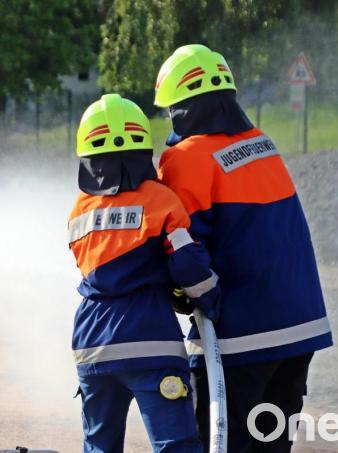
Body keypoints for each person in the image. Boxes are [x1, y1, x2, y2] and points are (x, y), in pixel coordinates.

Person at [153, 44, 334, 452]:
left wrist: (180, 293)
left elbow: (183, 247)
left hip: (241, 336)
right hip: (301, 327)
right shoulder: (261, 143)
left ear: (183, 107)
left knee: (218, 442)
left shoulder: (186, 158)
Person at [68, 93, 220, 453]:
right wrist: (210, 299)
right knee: (175, 447)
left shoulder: (79, 210)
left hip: (91, 345)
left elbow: (94, 268)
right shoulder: (160, 199)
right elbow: (188, 264)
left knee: (99, 447)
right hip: (150, 339)